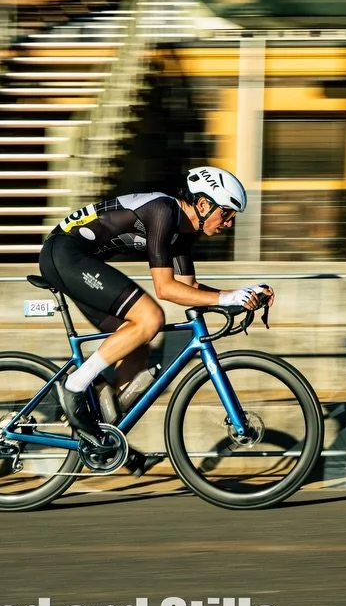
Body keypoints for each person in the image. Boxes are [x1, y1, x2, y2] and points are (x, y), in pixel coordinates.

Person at [40, 165, 273, 467]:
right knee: (150, 318)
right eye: (226, 213)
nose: (228, 223)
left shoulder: (183, 233)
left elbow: (187, 289)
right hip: (66, 253)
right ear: (203, 204)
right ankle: (75, 386)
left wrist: (242, 296)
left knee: (137, 346)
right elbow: (165, 289)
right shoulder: (163, 210)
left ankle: (106, 438)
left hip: (78, 260)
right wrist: (226, 297)